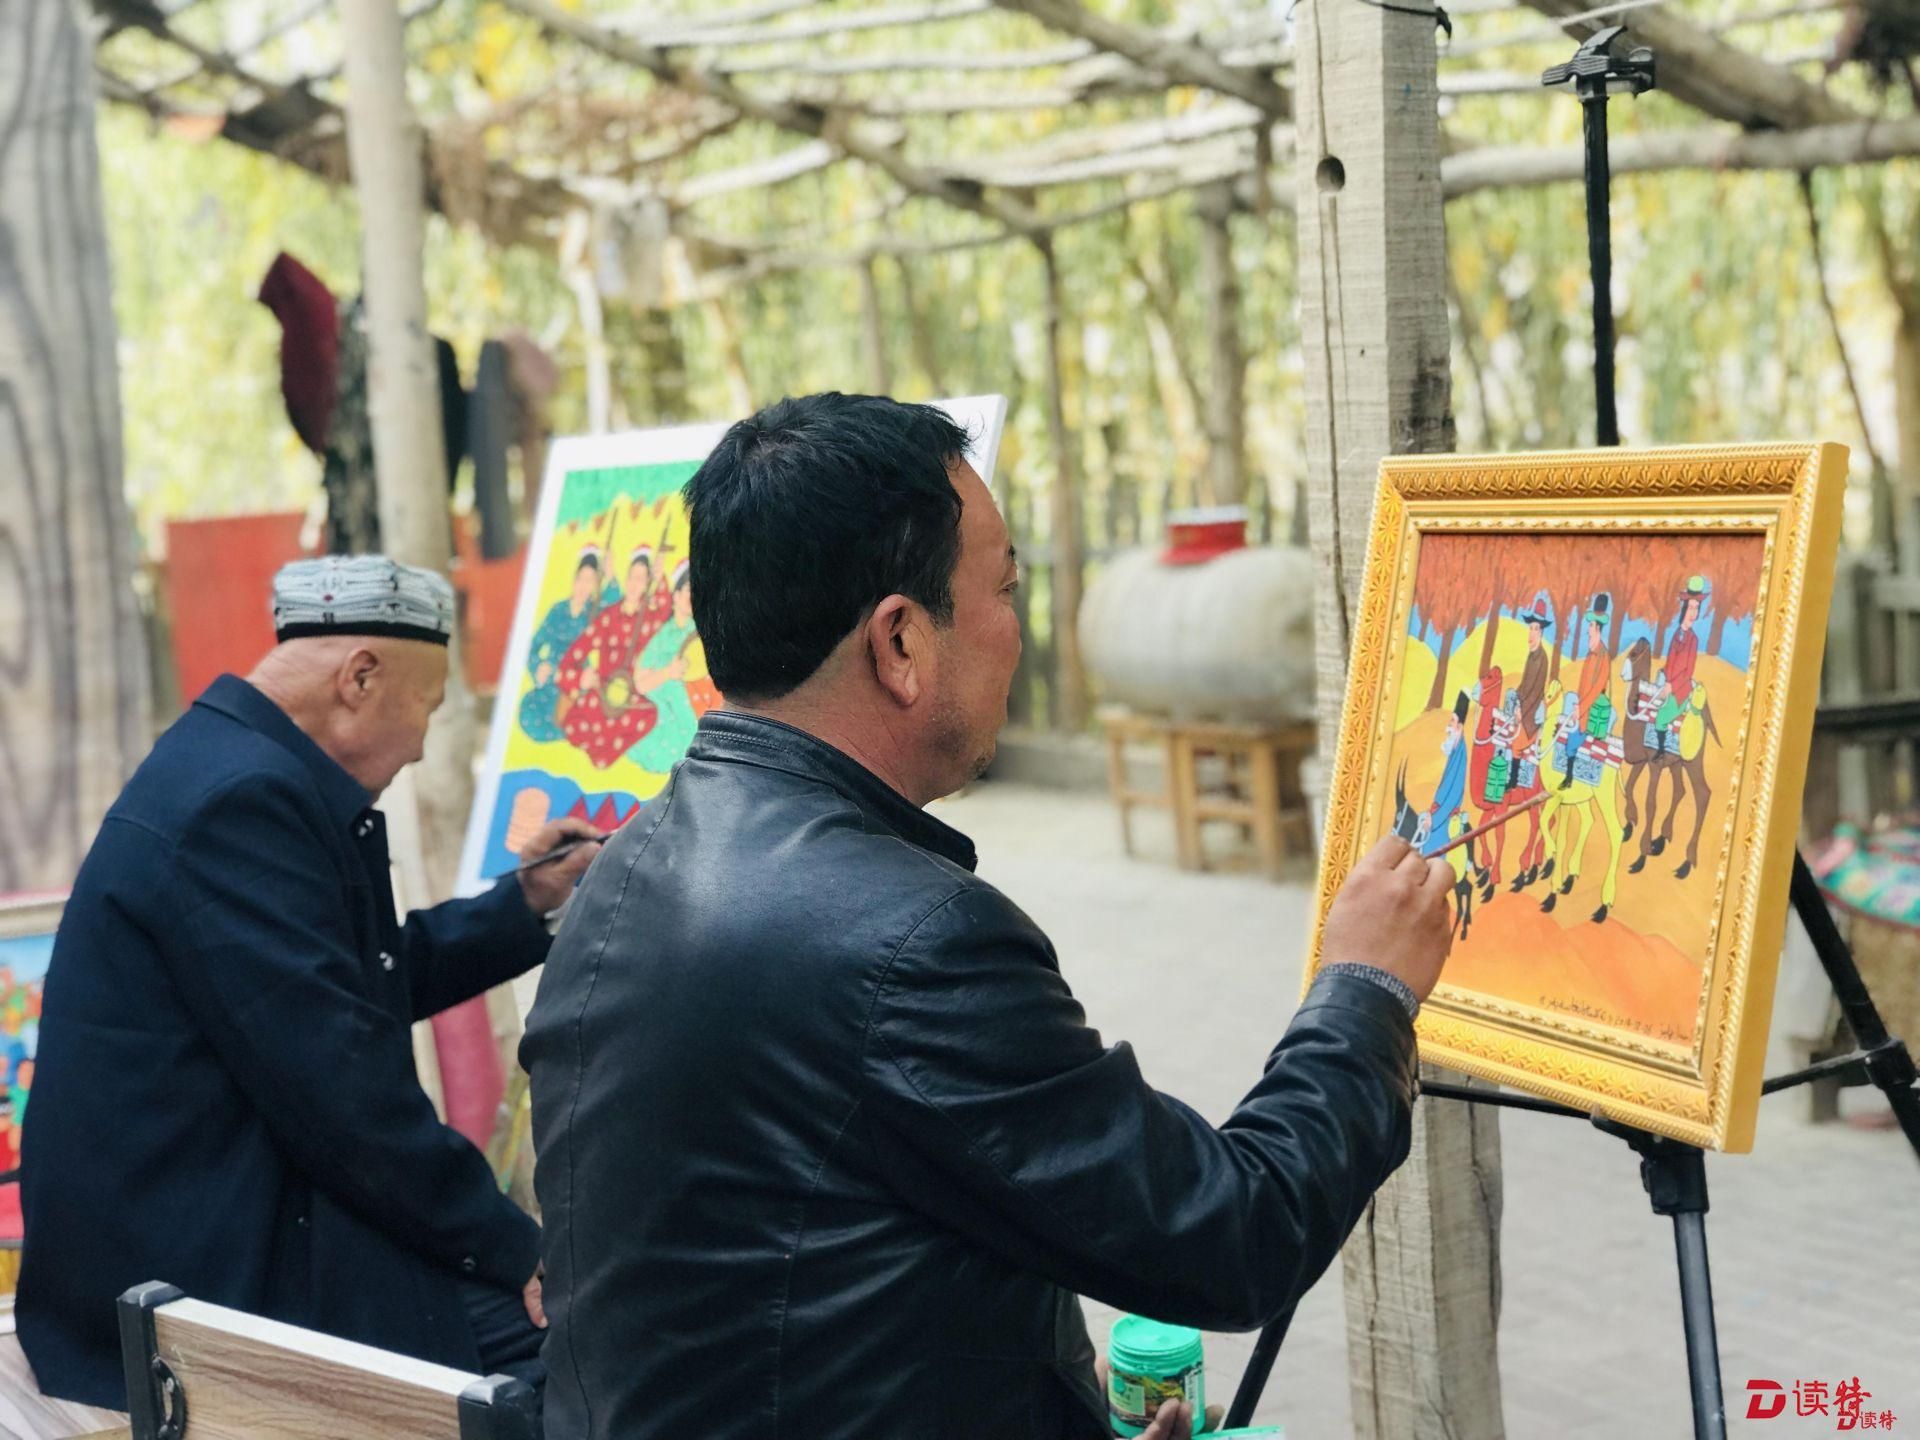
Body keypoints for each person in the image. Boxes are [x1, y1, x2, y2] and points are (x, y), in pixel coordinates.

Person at [520, 394, 1456, 1440]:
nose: (1018, 630)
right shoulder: (911, 944)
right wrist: (1364, 992)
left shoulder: (622, 870)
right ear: (900, 641)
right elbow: (1232, 1235)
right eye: (1005, 590)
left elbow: (802, 1277)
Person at [18, 556, 600, 1411]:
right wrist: (520, 1249)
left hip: (224, 1211)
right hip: (190, 1276)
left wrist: (524, 904)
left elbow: (348, 989)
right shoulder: (237, 801)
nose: (422, 743)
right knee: (585, 1352)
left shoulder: (232, 760)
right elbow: (345, 1096)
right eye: (426, 706)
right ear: (359, 678)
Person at [557, 547, 672, 768]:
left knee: (650, 715)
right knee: (572, 726)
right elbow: (572, 657)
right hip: (601, 692)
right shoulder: (608, 616)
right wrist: (581, 679)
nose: (634, 584)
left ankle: (604, 749)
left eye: (641, 579)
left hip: (630, 698)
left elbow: (665, 609)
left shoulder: (649, 617)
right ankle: (600, 744)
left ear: (647, 584)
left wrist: (660, 579)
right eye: (632, 577)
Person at [520, 548, 613, 742]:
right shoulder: (558, 610)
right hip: (552, 676)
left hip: (578, 680)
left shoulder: (593, 613)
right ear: (574, 580)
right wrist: (538, 666)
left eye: (590, 581)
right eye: (581, 579)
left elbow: (614, 605)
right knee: (531, 717)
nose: (583, 586)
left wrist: (610, 574)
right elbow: (533, 646)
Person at [625, 562, 703, 774]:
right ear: (676, 595)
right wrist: (668, 672)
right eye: (689, 590)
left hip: (688, 702)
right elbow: (640, 684)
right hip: (659, 704)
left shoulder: (699, 634)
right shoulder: (661, 635)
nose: (693, 597)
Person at [1654, 575, 1709, 749]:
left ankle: (1661, 751)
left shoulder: (1693, 640)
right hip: (1668, 686)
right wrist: (1664, 676)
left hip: (1680, 692)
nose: (1693, 613)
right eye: (1691, 607)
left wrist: (1672, 686)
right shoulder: (1677, 633)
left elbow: (1688, 672)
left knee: (1661, 718)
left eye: (1696, 608)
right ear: (1684, 608)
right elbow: (1671, 662)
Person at [1423, 688, 1470, 855]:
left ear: (1460, 726)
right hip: (1437, 816)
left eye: (1452, 721)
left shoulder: (1461, 754)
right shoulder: (1454, 750)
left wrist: (1434, 820)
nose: (1449, 725)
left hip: (1444, 822)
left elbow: (1454, 796)